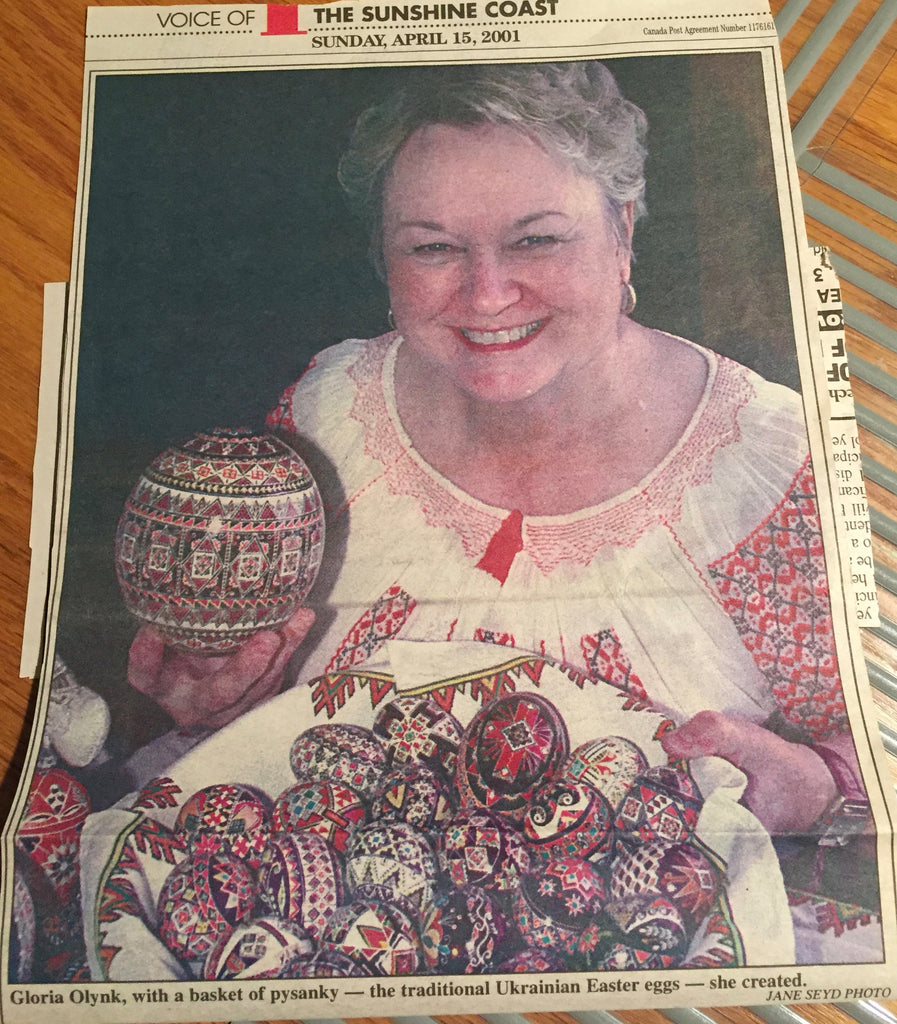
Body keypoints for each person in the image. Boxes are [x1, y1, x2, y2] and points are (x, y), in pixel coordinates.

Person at [128, 60, 862, 845]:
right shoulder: (328, 411)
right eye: (433, 249)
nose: (485, 294)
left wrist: (821, 783)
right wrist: (224, 696)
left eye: (537, 239)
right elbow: (260, 704)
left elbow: (875, 734)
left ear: (623, 228)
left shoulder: (768, 462)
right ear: (384, 257)